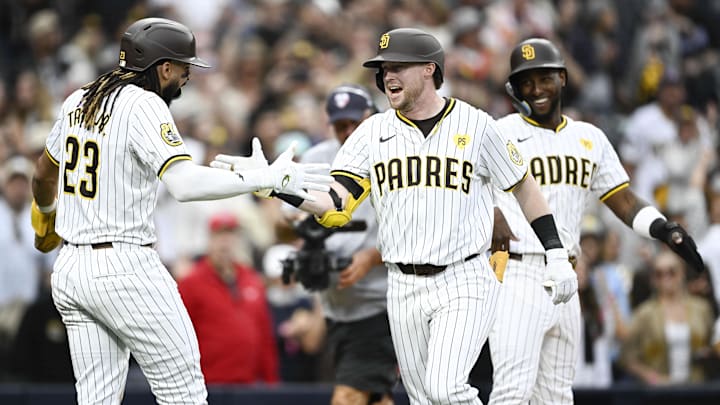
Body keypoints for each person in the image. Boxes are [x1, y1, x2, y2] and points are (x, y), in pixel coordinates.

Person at [214, 28, 578, 405]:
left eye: (398, 67)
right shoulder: (372, 133)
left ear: (428, 70)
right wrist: (279, 186)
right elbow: (336, 205)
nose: (388, 76)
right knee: (423, 400)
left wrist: (554, 251)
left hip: (463, 277)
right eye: (384, 68)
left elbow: (524, 187)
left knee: (446, 389)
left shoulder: (476, 125)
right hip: (402, 284)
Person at [29, 17, 332, 405]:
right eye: (184, 68)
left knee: (96, 399)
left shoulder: (80, 97)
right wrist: (265, 180)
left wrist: (48, 214)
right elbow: (184, 184)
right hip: (124, 266)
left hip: (70, 268)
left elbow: (43, 173)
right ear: (164, 67)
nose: (187, 77)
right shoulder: (144, 102)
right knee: (185, 393)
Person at [488, 38, 705, 404]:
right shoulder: (500, 132)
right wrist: (491, 216)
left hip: (569, 277)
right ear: (515, 88)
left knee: (557, 395)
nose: (536, 89)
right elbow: (470, 190)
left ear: (562, 78)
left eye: (544, 78)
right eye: (526, 82)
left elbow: (620, 199)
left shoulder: (590, 137)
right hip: (518, 273)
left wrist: (662, 228)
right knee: (512, 392)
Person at [293, 84, 398, 404]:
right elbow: (285, 223)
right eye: (341, 125)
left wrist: (372, 256)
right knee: (374, 397)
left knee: (349, 396)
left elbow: (420, 229)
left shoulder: (394, 158)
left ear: (373, 118)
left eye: (356, 123)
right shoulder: (316, 158)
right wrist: (301, 230)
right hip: (335, 302)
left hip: (379, 302)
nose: (349, 131)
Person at [177, 212, 279, 385]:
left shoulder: (252, 279)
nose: (225, 241)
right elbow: (179, 338)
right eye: (219, 235)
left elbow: (264, 336)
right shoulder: (191, 283)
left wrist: (271, 382)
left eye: (230, 234)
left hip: (248, 385)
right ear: (209, 239)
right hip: (207, 385)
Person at [620, 250, 714, 385]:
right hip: (661, 391)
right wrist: (649, 376)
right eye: (659, 274)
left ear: (682, 273)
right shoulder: (644, 314)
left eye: (671, 272)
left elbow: (711, 343)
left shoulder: (701, 309)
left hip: (696, 387)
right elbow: (627, 356)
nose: (666, 278)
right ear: (653, 279)